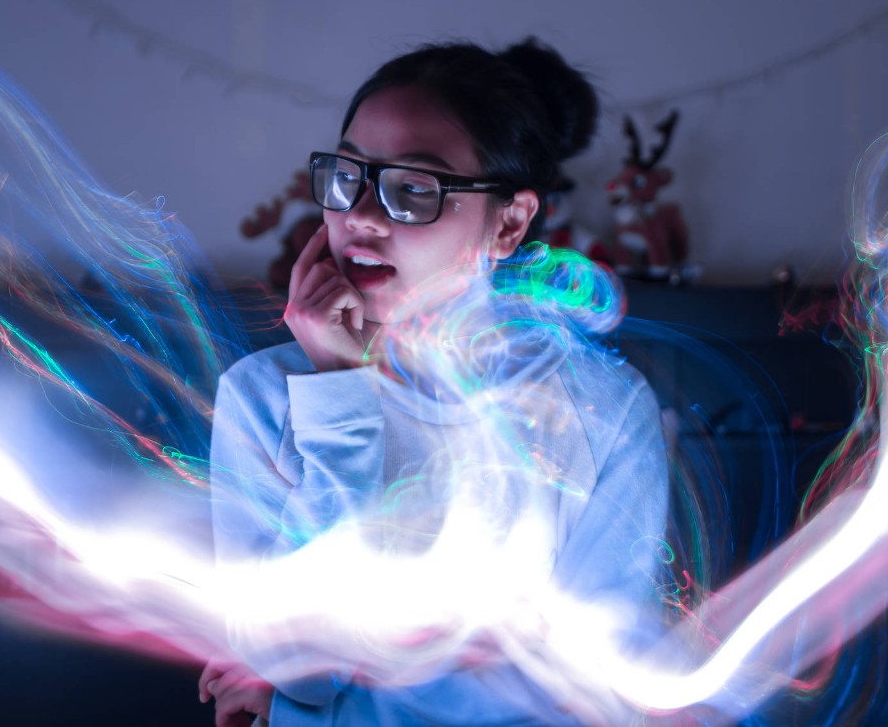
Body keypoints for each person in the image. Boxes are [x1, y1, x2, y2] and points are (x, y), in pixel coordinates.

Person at [201, 39, 670, 725]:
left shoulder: (602, 410)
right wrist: (340, 393)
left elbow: (597, 694)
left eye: (413, 190)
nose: (359, 216)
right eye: (347, 177)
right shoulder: (263, 396)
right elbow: (291, 660)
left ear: (508, 222)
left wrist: (328, 705)